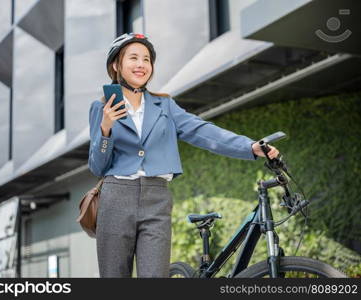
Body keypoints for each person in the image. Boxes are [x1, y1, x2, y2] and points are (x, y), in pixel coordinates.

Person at [88, 33, 279, 278]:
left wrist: (249, 146)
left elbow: (203, 131)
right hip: (116, 198)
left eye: (146, 59)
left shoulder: (165, 106)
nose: (141, 65)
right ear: (116, 65)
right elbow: (97, 166)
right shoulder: (101, 107)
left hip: (156, 199)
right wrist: (105, 128)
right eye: (133, 58)